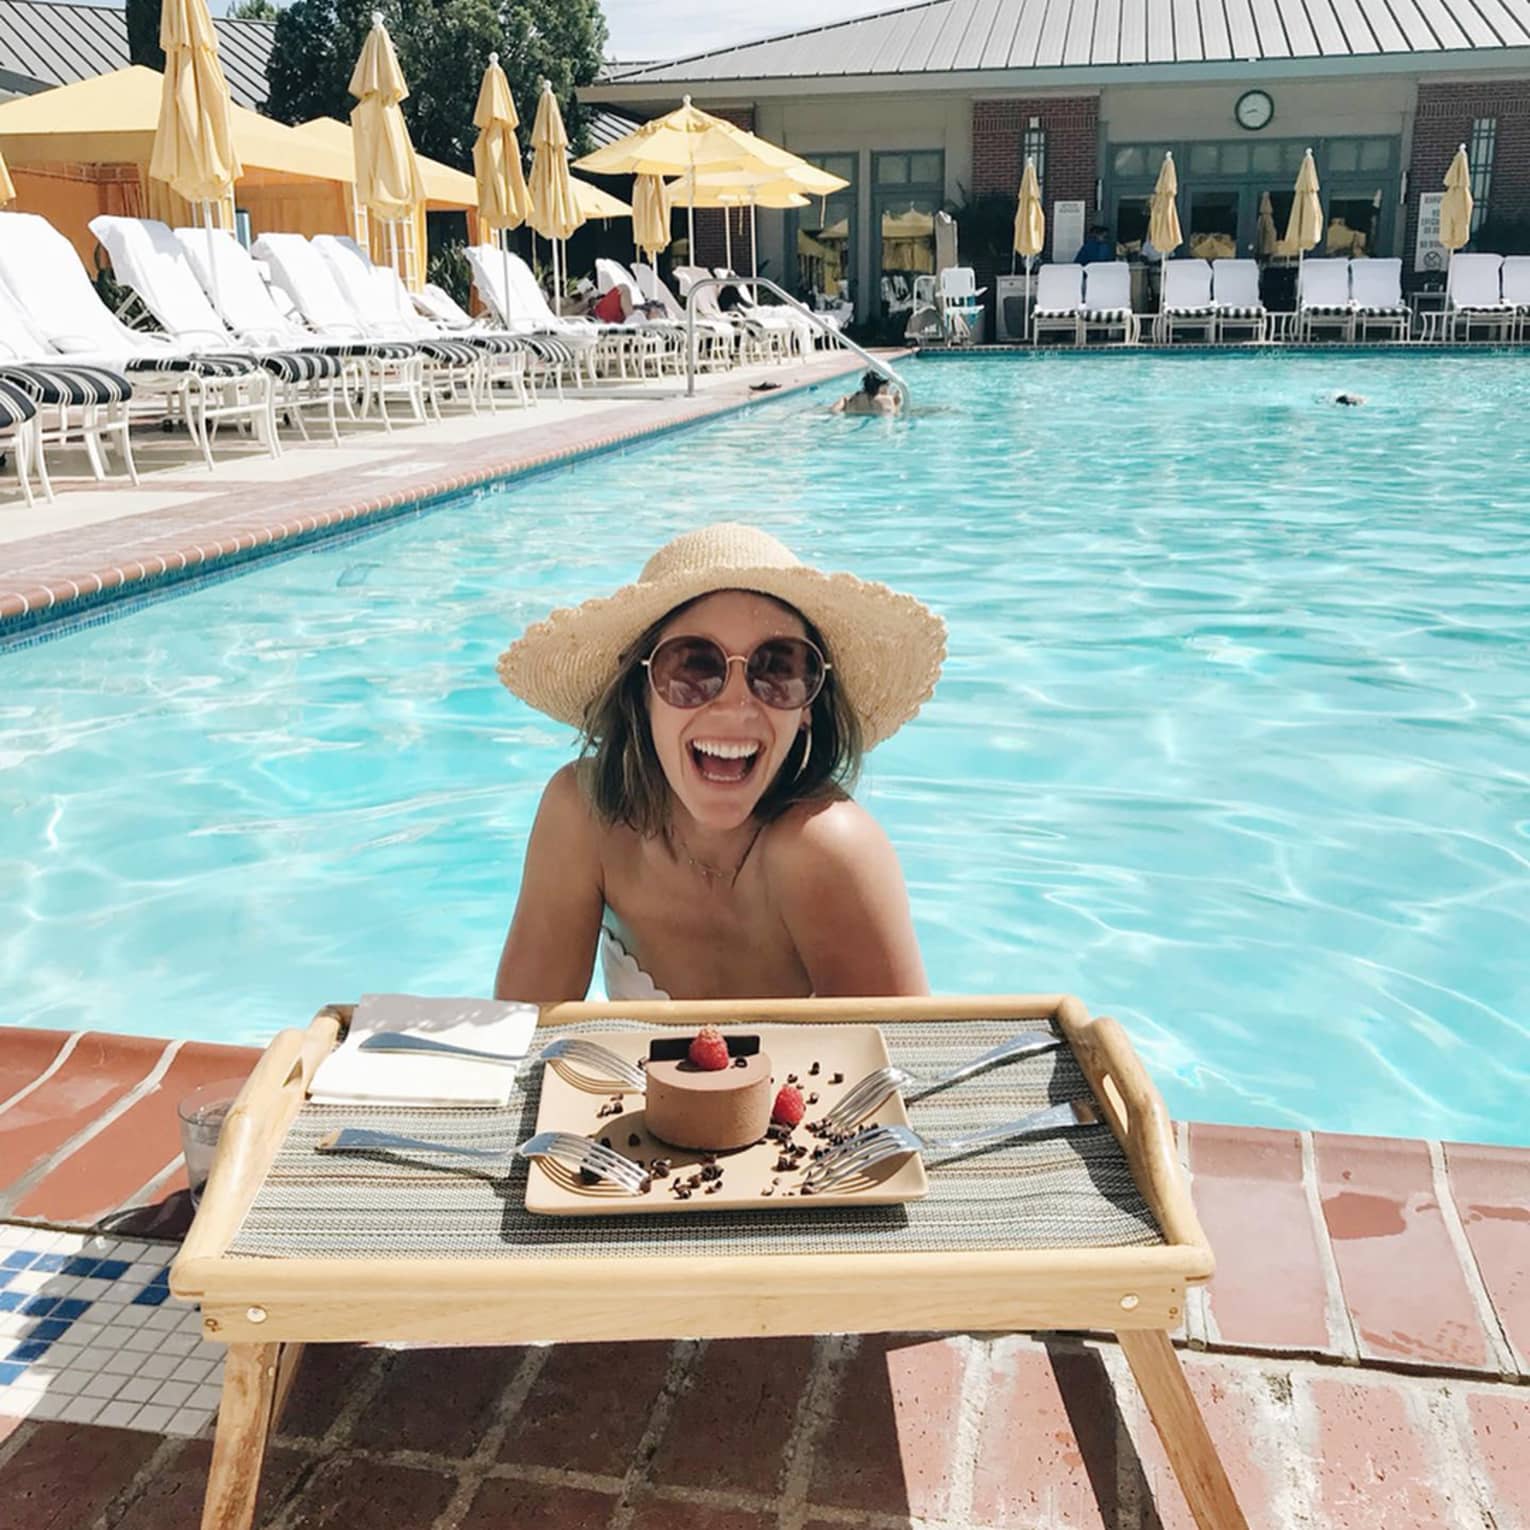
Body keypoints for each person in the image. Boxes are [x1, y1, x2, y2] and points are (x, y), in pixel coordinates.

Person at [493, 523, 946, 1002]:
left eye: (777, 668)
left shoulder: (829, 852)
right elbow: (520, 1034)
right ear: (640, 689)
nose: (736, 706)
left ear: (809, 705)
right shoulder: (583, 818)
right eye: (694, 665)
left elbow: (897, 1049)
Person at [831, 371, 901, 416]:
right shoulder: (888, 400)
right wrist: (897, 403)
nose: (889, 388)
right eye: (888, 384)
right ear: (882, 386)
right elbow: (896, 415)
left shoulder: (846, 400)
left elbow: (833, 411)